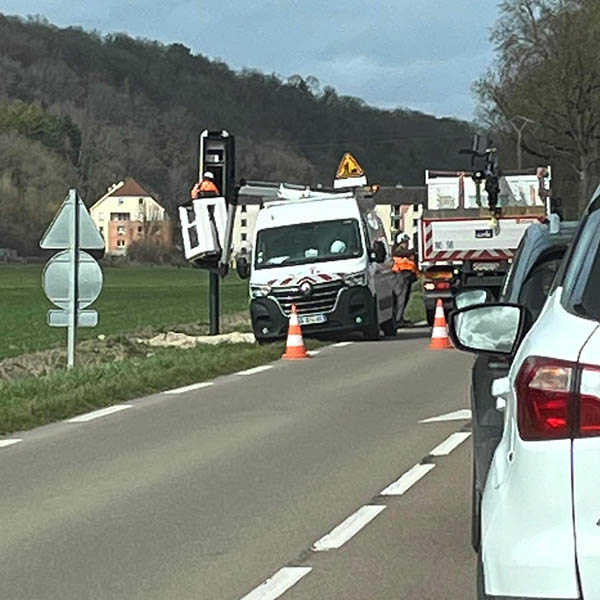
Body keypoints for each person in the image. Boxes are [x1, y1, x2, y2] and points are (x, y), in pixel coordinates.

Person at [392, 235, 418, 326]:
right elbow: (403, 253)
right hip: (400, 276)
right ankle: (398, 319)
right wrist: (414, 250)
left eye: (406, 242)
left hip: (406, 276)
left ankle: (400, 318)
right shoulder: (398, 251)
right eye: (404, 242)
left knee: (404, 298)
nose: (406, 244)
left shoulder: (405, 252)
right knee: (400, 298)